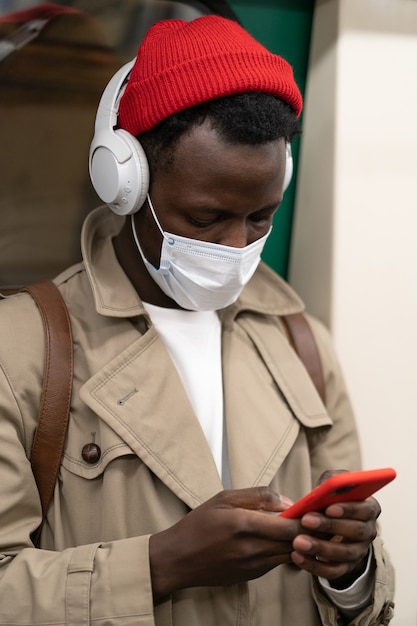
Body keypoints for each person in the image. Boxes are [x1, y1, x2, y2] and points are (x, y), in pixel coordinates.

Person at [0, 14, 394, 626]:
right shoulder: (21, 349)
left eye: (261, 217)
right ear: (125, 182)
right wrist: (162, 564)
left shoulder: (301, 343)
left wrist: (352, 570)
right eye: (206, 219)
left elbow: (364, 602)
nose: (236, 246)